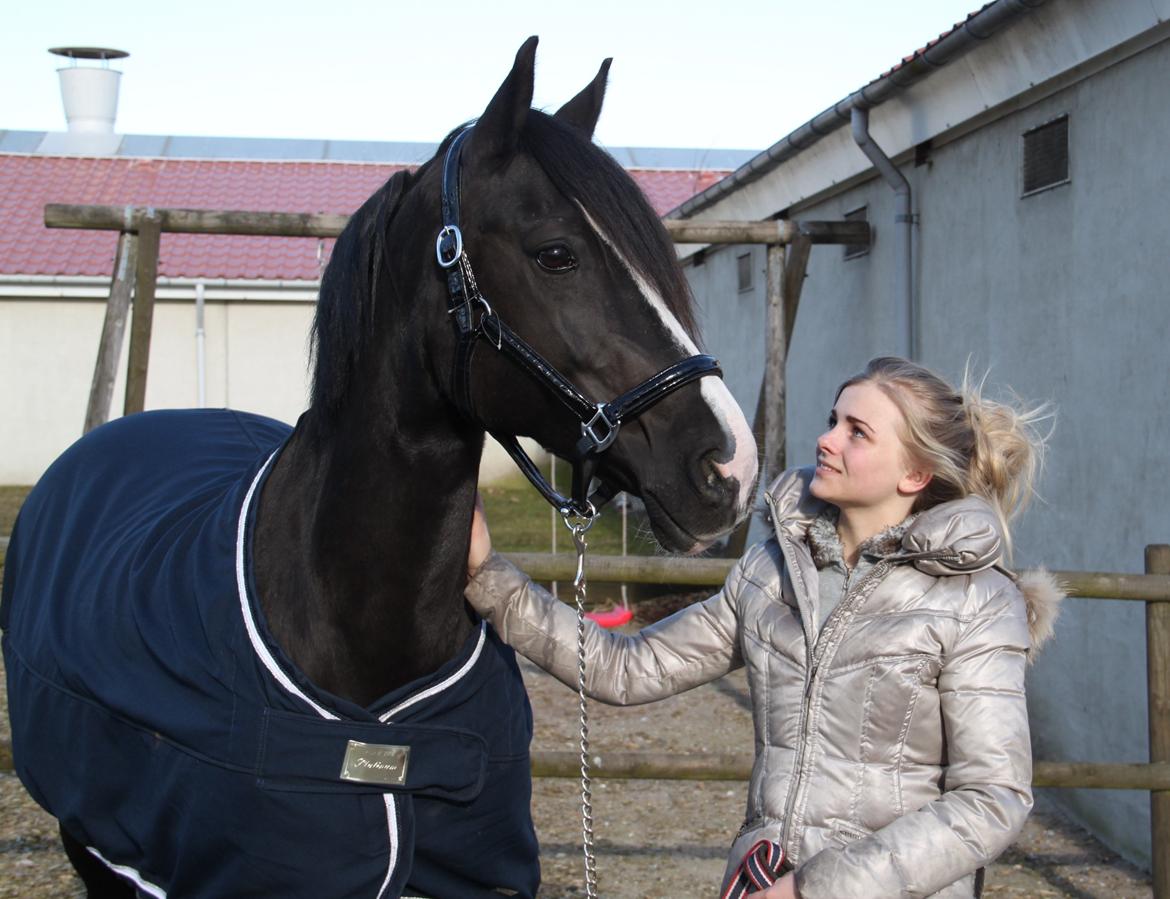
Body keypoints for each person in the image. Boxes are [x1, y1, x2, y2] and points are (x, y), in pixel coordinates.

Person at [465, 356, 1062, 899]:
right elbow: (629, 668)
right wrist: (487, 577)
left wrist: (816, 891)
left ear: (914, 474)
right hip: (761, 878)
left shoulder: (976, 601)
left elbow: (991, 799)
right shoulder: (770, 571)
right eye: (834, 420)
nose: (826, 440)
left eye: (857, 432)